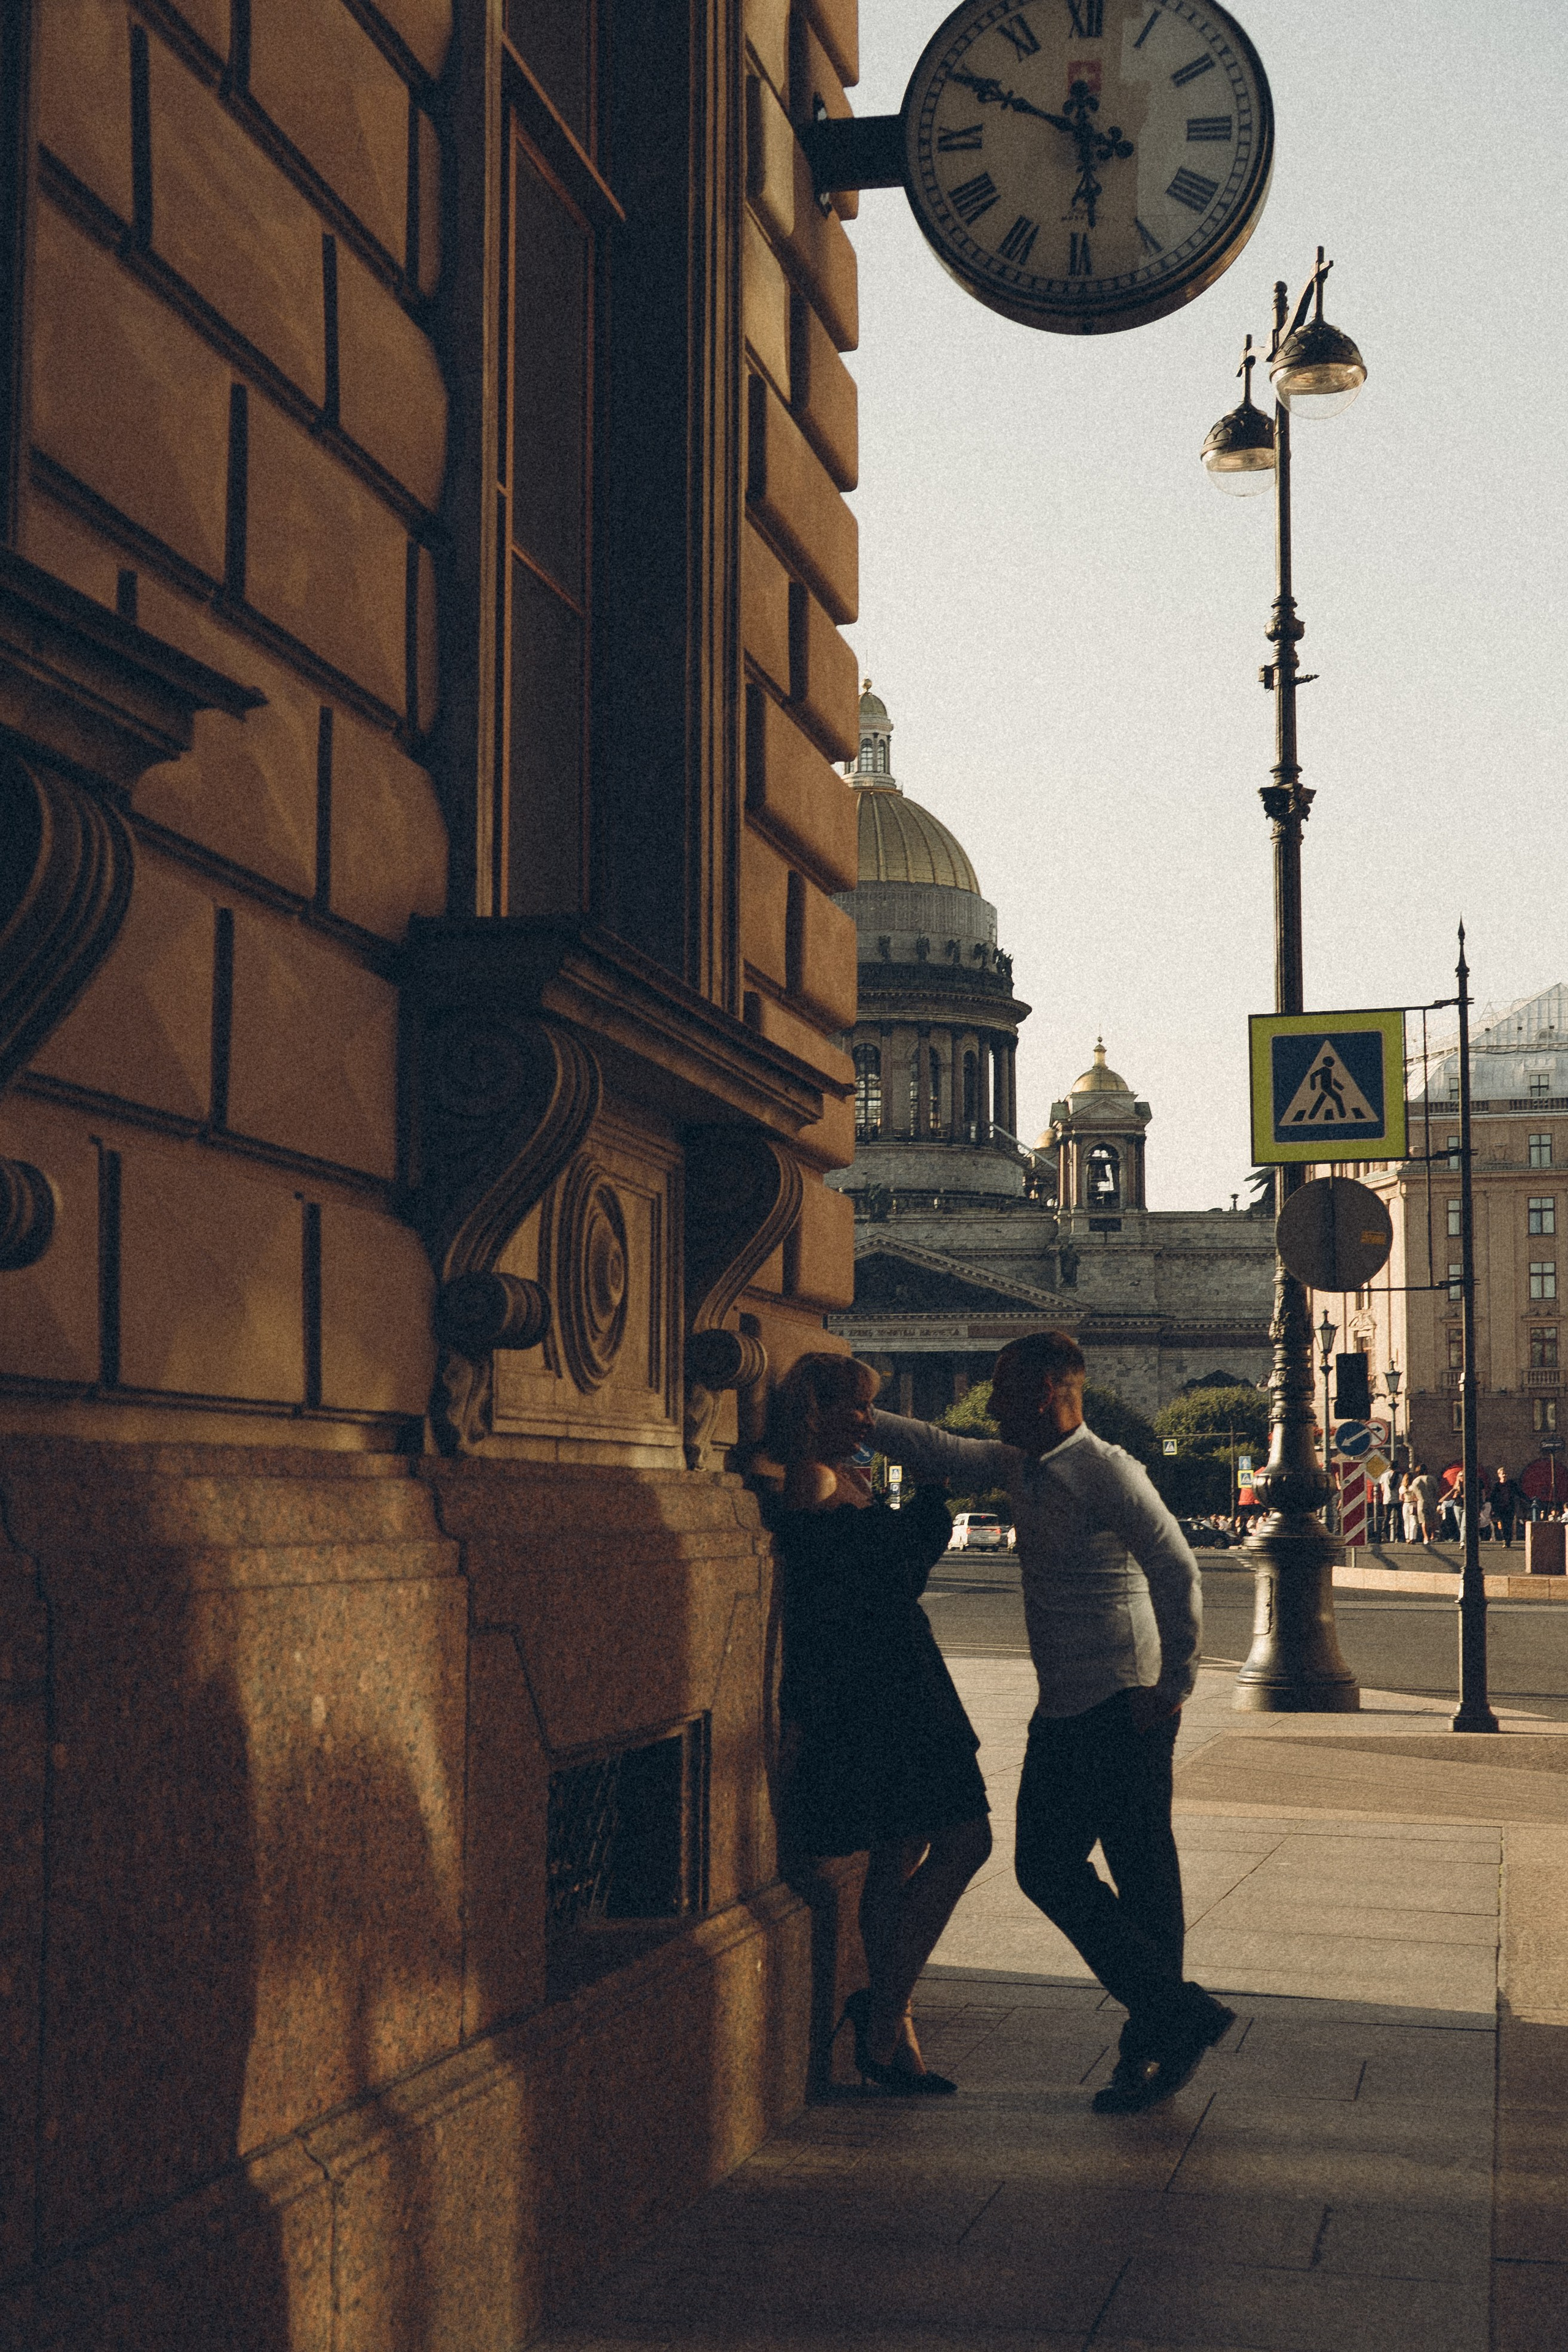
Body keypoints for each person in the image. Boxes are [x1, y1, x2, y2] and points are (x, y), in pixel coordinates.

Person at [870, 1329, 1233, 2117]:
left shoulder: (1105, 1470)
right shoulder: (1019, 1464)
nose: (991, 1405)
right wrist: (856, 1417)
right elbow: (938, 1444)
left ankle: (1150, 2042)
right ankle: (1175, 2015)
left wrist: (1173, 1684)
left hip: (1123, 1699)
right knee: (1047, 1868)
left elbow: (1176, 1567)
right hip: (1064, 1705)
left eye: (1001, 1390)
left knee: (1140, 1875)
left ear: (1041, 1393)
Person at [765, 1354, 992, 2094]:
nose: (868, 1421)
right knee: (965, 1839)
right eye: (856, 1406)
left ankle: (889, 2025)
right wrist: (932, 1494)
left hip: (890, 1678)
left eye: (871, 1407)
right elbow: (887, 1573)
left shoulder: (840, 1477)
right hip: (879, 1688)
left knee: (903, 1851)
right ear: (813, 1409)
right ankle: (884, 2013)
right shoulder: (818, 1481)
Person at [1409, 1461, 1443, 1546]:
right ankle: (1432, 1536)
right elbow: (1437, 1491)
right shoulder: (1431, 1478)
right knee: (1433, 1520)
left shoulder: (1415, 1481)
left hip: (1421, 1502)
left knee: (1423, 1521)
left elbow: (1413, 1495)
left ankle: (1426, 1537)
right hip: (1432, 1501)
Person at [1488, 1466, 1523, 1550]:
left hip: (1510, 1507)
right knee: (1503, 1524)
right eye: (1503, 1474)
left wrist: (1527, 1499)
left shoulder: (1511, 1484)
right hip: (1501, 1507)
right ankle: (1505, 1539)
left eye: (1505, 1474)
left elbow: (1519, 1493)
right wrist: (1492, 1508)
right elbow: (1492, 1497)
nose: (1504, 1475)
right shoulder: (1497, 1485)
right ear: (1499, 1475)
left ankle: (1508, 1540)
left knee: (1509, 1524)